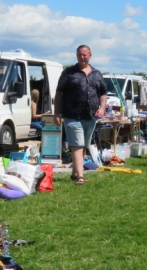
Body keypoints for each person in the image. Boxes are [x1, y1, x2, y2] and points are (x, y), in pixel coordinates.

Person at [54, 45, 107, 186]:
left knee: (83, 145)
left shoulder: (97, 74)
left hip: (90, 116)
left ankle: (75, 172)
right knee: (76, 145)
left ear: (90, 55)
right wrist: (57, 113)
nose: (82, 57)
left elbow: (103, 93)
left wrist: (102, 108)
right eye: (79, 55)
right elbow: (59, 94)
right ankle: (81, 176)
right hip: (72, 115)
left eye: (84, 55)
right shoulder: (68, 73)